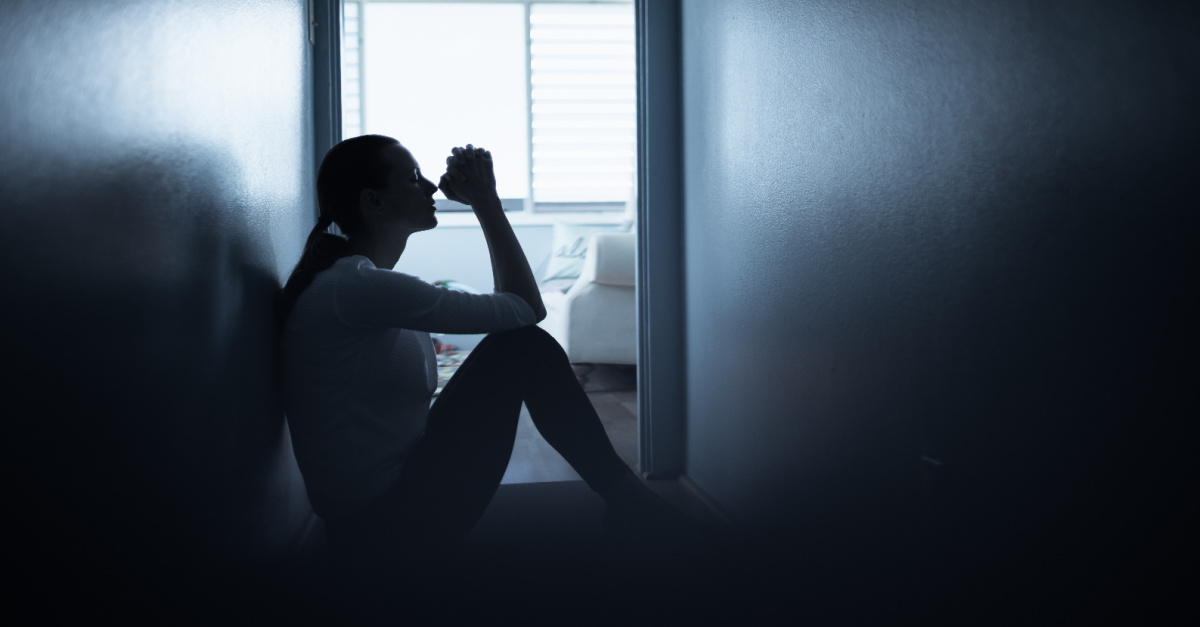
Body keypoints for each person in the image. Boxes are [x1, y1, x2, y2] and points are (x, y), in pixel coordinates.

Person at [279, 135, 696, 572]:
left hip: (376, 514)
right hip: (380, 531)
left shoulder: (356, 284)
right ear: (374, 202)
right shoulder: (357, 287)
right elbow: (525, 310)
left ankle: (626, 501)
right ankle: (628, 502)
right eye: (412, 178)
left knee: (518, 345)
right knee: (522, 346)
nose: (431, 188)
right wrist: (486, 202)